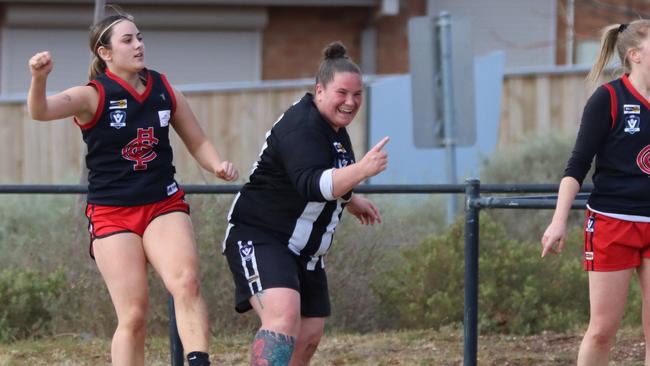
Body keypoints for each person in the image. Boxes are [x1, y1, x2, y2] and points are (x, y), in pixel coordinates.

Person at [27, 11, 238, 366]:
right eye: (127, 40)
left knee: (186, 283)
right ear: (105, 53)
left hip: (162, 204)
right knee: (135, 315)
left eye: (139, 37)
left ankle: (199, 361)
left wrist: (215, 164)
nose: (138, 45)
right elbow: (41, 111)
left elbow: (197, 140)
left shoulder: (164, 88)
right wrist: (38, 79)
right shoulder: (91, 95)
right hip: (112, 213)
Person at [222, 41, 388, 365]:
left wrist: (351, 199)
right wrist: (362, 170)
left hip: (305, 249)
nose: (350, 102)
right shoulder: (302, 125)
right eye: (342, 93)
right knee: (283, 320)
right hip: (261, 235)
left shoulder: (335, 129)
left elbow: (328, 176)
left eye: (357, 95)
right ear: (320, 90)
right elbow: (312, 184)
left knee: (308, 335)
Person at [541, 20, 650, 365]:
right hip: (612, 223)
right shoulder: (608, 98)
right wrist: (558, 222)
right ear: (635, 55)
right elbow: (576, 167)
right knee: (603, 330)